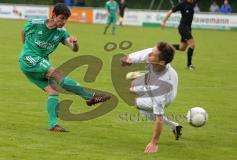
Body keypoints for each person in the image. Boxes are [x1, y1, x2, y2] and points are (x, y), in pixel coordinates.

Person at [18, 3, 111, 132]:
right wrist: (25, 47)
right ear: (53, 15)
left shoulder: (62, 32)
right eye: (61, 18)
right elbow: (24, 30)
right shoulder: (36, 23)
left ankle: (52, 124)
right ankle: (89, 96)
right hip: (28, 59)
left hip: (38, 63)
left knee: (53, 92)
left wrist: (75, 43)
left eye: (66, 19)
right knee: (58, 74)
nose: (64, 22)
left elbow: (74, 49)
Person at [120, 42, 183, 153]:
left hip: (167, 94)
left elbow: (159, 118)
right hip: (157, 80)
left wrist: (154, 143)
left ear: (162, 62)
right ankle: (174, 126)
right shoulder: (152, 53)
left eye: (153, 54)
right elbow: (129, 58)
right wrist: (127, 59)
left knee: (139, 103)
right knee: (144, 111)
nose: (149, 54)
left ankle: (144, 79)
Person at [161, 0, 199, 70]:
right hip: (183, 28)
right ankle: (189, 65)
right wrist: (163, 21)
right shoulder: (182, 4)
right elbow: (170, 11)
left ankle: (166, 47)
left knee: (182, 48)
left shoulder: (193, 3)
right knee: (192, 45)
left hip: (188, 28)